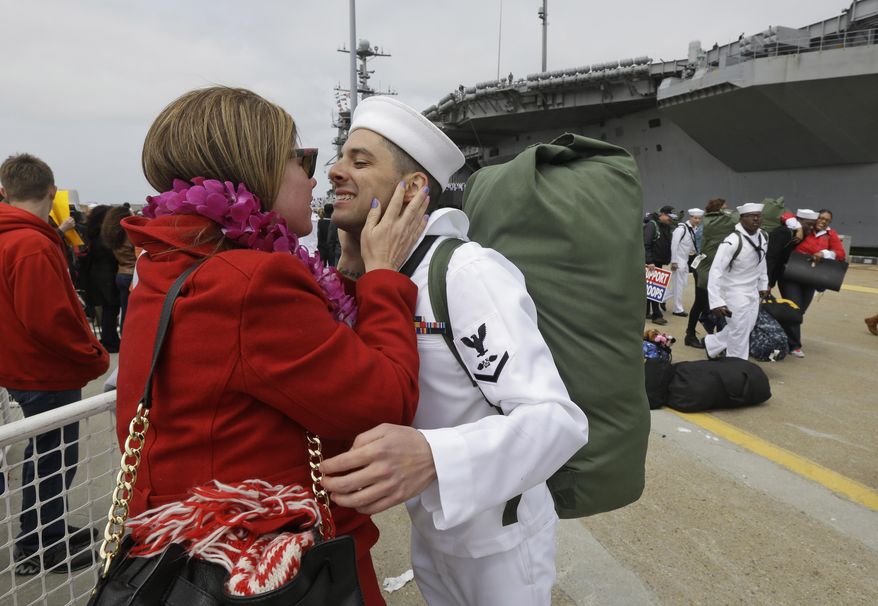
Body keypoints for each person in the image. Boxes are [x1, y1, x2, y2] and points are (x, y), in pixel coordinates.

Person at [114, 86, 428, 605]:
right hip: (272, 577)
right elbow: (387, 401)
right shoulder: (248, 282)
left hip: (192, 558)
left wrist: (349, 270)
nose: (317, 174)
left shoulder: (177, 259)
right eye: (301, 158)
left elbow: (286, 352)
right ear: (254, 169)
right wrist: (384, 276)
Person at [320, 96, 589, 606]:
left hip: (499, 544)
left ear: (414, 188)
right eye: (340, 159)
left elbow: (557, 419)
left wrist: (433, 456)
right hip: (434, 525)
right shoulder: (389, 274)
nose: (334, 171)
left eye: (359, 161)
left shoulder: (466, 273)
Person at [0, 153, 110, 575]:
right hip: (45, 370)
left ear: (6, 193)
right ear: (52, 191)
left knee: (48, 453)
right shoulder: (30, 243)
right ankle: (36, 544)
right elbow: (48, 320)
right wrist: (93, 356)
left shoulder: (16, 237)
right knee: (53, 456)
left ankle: (48, 527)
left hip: (23, 366)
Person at [704, 202, 769, 360]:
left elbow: (762, 262)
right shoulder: (732, 241)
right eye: (751, 216)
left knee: (746, 327)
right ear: (741, 219)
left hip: (752, 290)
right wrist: (716, 301)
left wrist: (763, 284)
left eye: (758, 216)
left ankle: (712, 343)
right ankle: (736, 366)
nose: (756, 219)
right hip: (733, 291)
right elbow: (715, 271)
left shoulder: (764, 236)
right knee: (739, 330)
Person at [779, 208, 846, 357]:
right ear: (815, 218)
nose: (823, 221)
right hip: (791, 274)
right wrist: (798, 228)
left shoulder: (830, 234)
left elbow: (840, 254)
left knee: (801, 310)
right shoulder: (803, 226)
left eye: (827, 220)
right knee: (794, 308)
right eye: (821, 218)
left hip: (810, 277)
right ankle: (794, 345)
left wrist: (824, 253)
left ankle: (780, 333)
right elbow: (785, 215)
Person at [80, 204, 121, 351]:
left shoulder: (92, 234)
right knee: (111, 310)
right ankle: (111, 341)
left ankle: (109, 339)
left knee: (107, 311)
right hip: (107, 277)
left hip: (97, 276)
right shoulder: (105, 237)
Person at [101, 205, 136, 333]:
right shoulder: (129, 235)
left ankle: (123, 332)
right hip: (131, 275)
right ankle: (128, 333)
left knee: (124, 309)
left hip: (121, 273)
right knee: (131, 311)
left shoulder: (114, 235)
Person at [644, 205, 675, 325]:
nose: (670, 219)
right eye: (668, 216)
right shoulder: (652, 225)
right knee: (655, 289)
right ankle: (656, 315)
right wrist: (650, 261)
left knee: (651, 288)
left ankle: (646, 312)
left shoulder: (664, 225)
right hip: (652, 262)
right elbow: (646, 244)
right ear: (661, 214)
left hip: (657, 261)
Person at [669, 208, 704, 317]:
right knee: (678, 285)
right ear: (690, 217)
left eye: (699, 218)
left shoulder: (695, 229)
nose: (697, 220)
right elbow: (674, 245)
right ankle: (678, 309)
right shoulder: (681, 229)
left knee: (681, 284)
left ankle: (663, 299)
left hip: (686, 260)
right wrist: (673, 261)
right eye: (695, 218)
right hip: (678, 260)